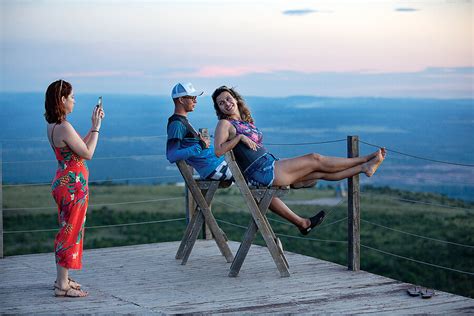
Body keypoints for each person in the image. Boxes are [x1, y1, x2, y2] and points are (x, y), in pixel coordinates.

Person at [166, 82, 326, 236]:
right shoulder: (176, 124)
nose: (195, 100)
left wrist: (197, 151)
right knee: (258, 176)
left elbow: (187, 152)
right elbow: (172, 155)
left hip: (218, 164)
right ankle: (294, 188)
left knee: (261, 173)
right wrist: (200, 145)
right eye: (192, 97)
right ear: (181, 100)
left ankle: (298, 208)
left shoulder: (183, 122)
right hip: (217, 167)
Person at [212, 85, 386, 206]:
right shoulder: (224, 124)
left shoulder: (246, 122)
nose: (227, 104)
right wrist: (239, 138)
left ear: (235, 99)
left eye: (228, 99)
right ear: (219, 109)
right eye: (222, 103)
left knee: (317, 173)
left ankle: (364, 167)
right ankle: (365, 158)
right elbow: (219, 151)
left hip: (269, 164)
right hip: (263, 171)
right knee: (315, 158)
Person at [44, 79, 105, 297]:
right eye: (71, 97)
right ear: (62, 100)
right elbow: (88, 153)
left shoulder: (55, 126)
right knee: (70, 232)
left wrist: (92, 127)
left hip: (65, 182)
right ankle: (62, 285)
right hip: (72, 186)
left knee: (70, 228)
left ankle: (64, 278)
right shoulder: (64, 127)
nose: (74, 101)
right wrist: (97, 128)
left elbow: (79, 148)